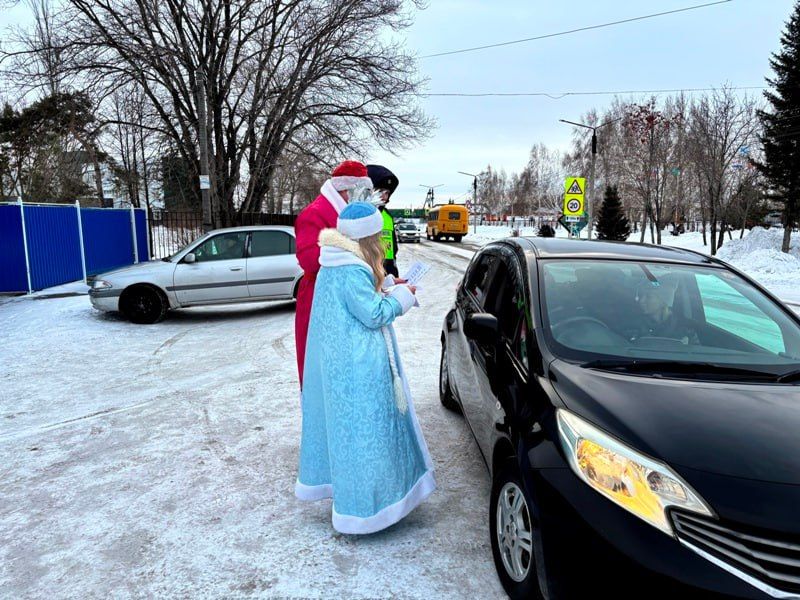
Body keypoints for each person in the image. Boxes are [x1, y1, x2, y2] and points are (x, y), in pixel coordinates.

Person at [295, 202, 435, 534]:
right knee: (368, 435)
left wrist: (389, 284)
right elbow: (373, 314)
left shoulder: (335, 261)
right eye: (378, 236)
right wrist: (402, 297)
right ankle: (369, 510)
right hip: (360, 368)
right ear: (367, 237)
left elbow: (357, 296)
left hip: (340, 366)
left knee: (347, 435)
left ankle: (356, 499)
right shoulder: (352, 269)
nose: (383, 241)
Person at [294, 160, 374, 386]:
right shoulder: (314, 214)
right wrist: (350, 248)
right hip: (320, 298)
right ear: (346, 189)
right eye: (361, 192)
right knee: (322, 366)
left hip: (342, 295)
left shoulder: (345, 213)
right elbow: (310, 260)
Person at [367, 164, 400, 278]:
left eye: (387, 193)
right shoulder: (359, 214)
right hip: (368, 274)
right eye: (380, 191)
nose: (384, 197)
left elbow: (393, 249)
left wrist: (393, 275)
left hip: (387, 274)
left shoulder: (387, 216)